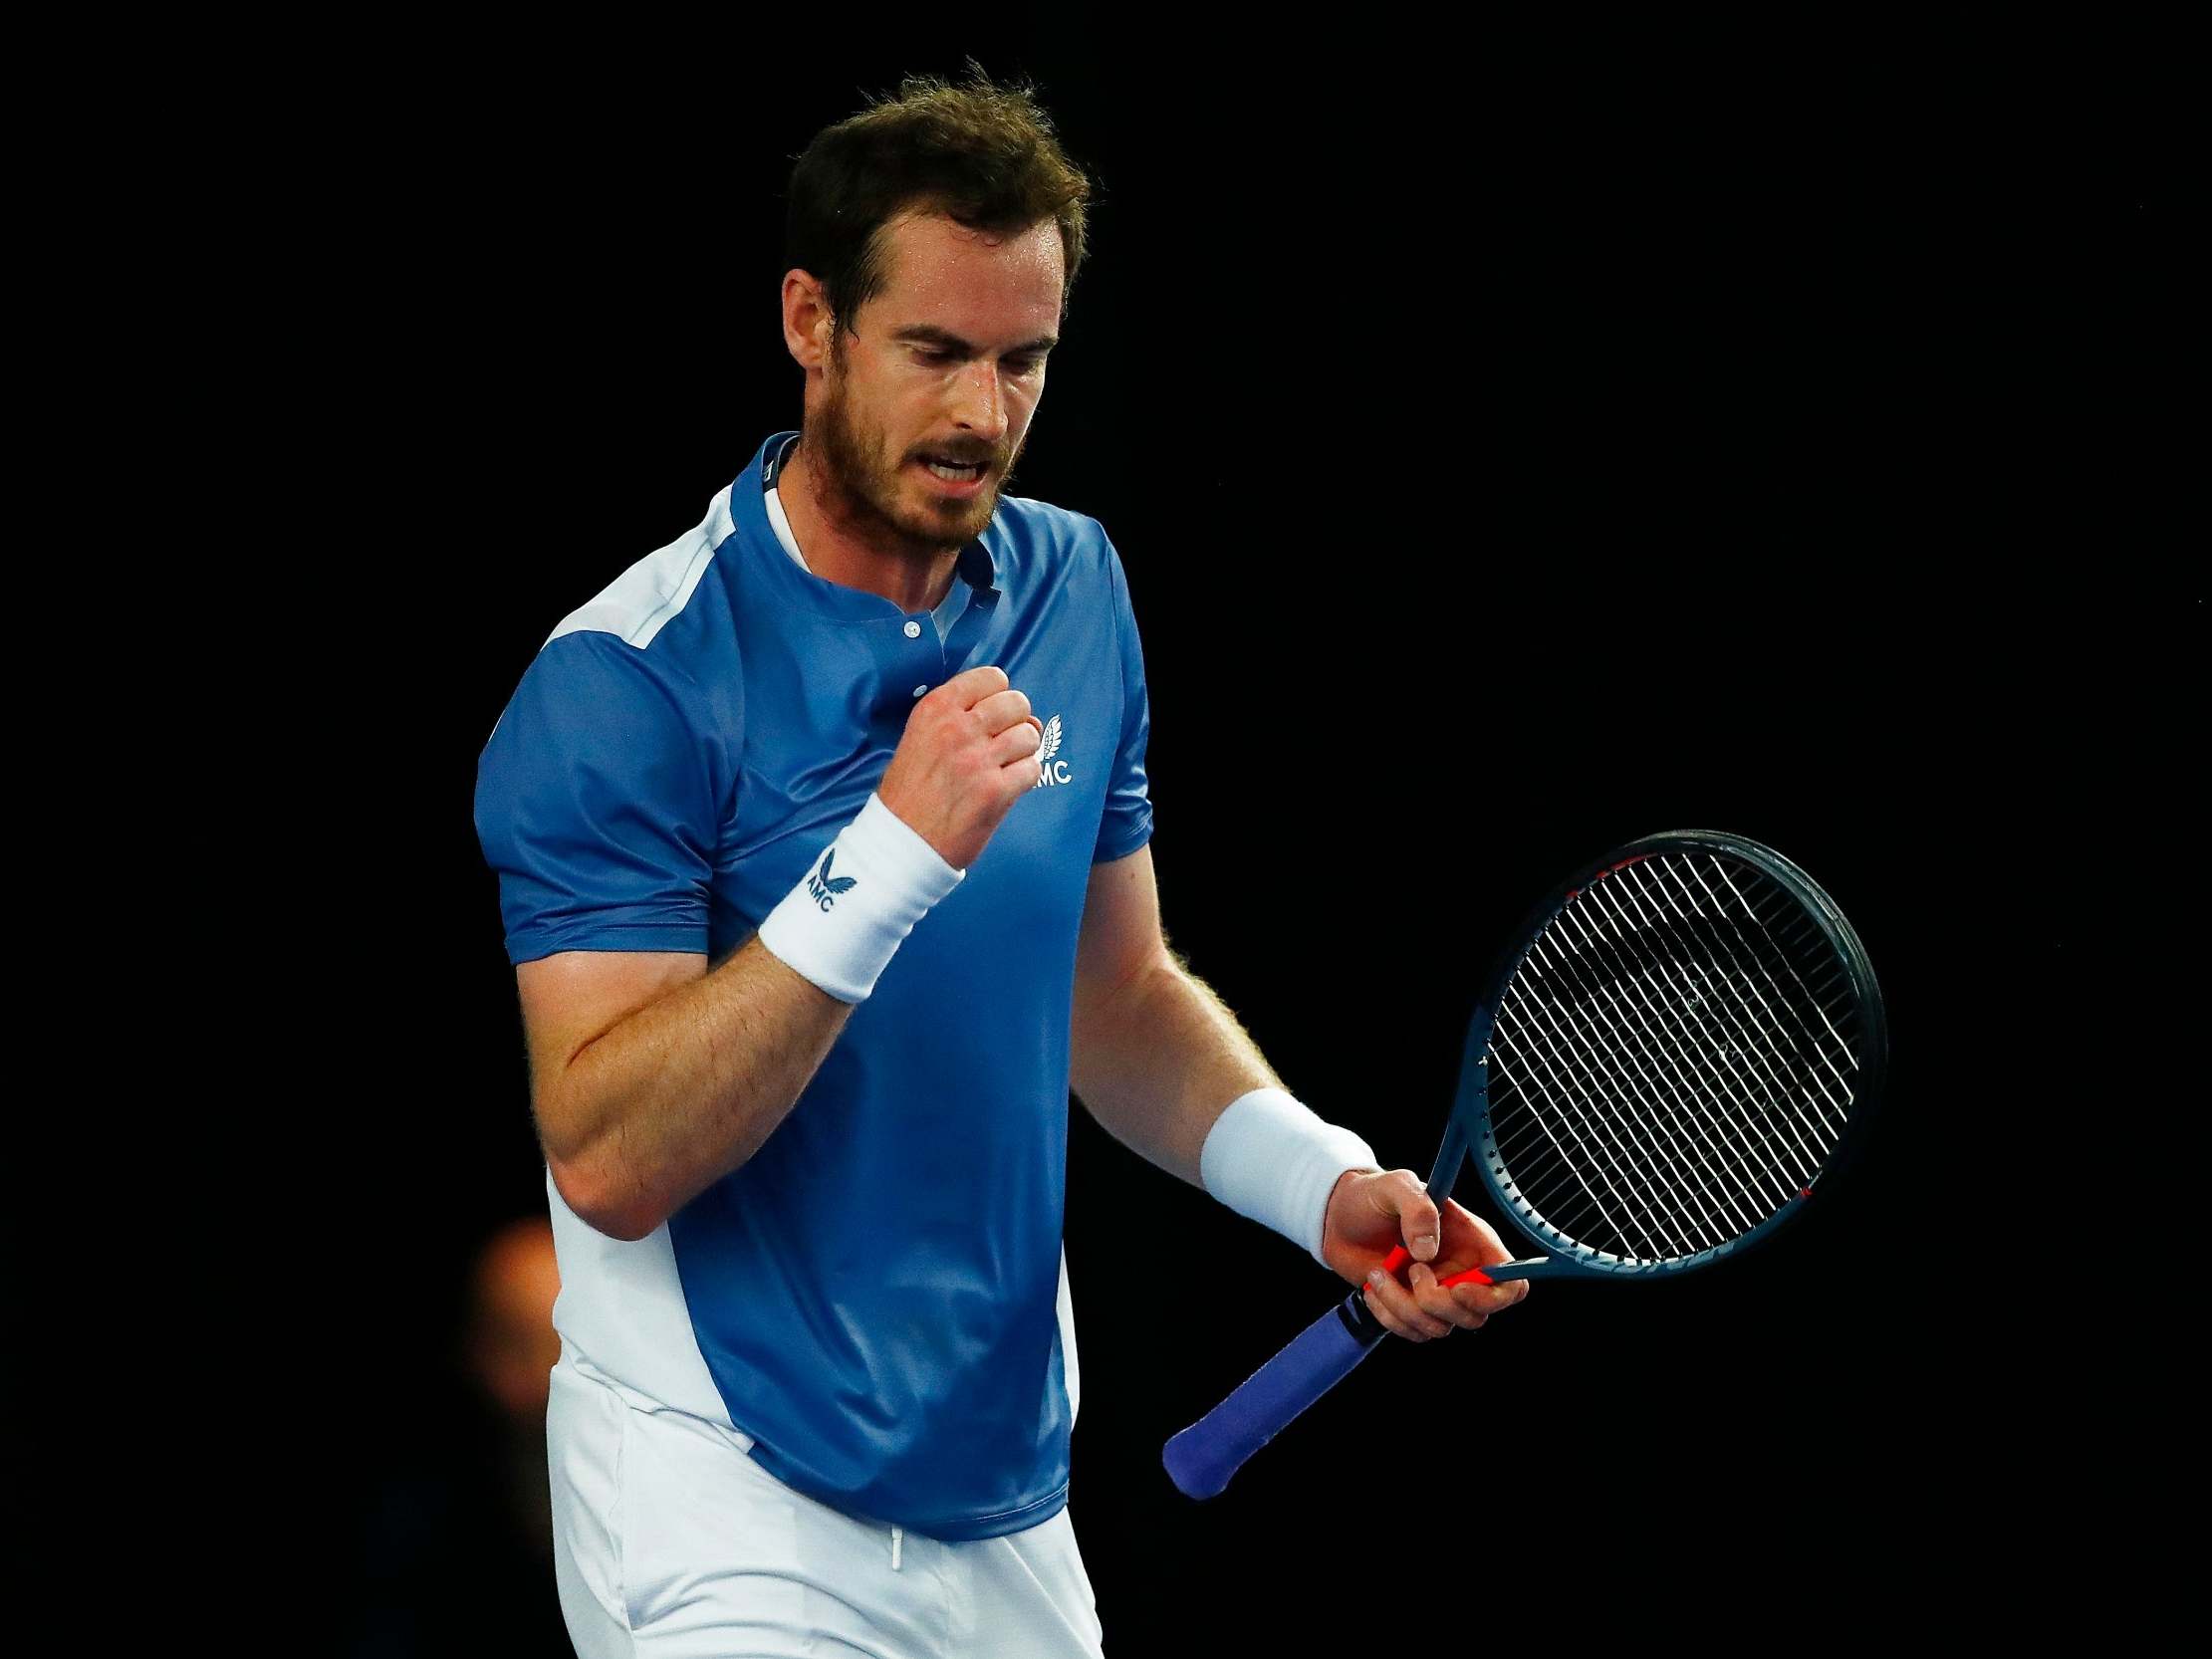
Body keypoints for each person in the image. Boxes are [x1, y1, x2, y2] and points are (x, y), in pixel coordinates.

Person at [473, 67, 1529, 1659]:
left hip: (1008, 1513)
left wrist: (1323, 1184)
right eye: (935, 353)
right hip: (722, 1510)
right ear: (808, 321)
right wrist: (891, 851)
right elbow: (611, 1157)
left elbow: (1114, 995)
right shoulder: (622, 681)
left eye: (1022, 360)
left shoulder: (1076, 585)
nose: (981, 414)